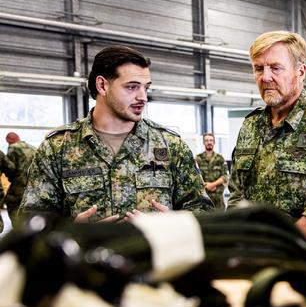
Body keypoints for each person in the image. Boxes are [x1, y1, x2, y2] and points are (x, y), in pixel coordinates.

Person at [20, 46, 212, 221]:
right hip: (85, 258)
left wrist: (175, 224)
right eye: (132, 87)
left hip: (154, 258)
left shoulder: (170, 145)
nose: (143, 97)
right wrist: (72, 231)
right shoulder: (58, 147)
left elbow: (203, 211)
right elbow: (32, 220)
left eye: (146, 88)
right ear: (102, 86)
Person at [228, 31, 306, 241]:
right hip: (256, 251)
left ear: (300, 71)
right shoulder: (251, 125)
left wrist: (283, 245)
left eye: (275, 68)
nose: (265, 77)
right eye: (258, 68)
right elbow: (236, 192)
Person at [2, 132, 37, 224]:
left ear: (9, 140)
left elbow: (11, 168)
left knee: (11, 202)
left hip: (20, 183)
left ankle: (18, 229)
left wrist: (10, 177)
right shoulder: (32, 147)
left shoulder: (13, 147)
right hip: (35, 184)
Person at [195, 132, 228, 209]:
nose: (209, 142)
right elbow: (195, 176)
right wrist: (206, 186)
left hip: (218, 200)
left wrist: (212, 185)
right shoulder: (198, 158)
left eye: (211, 140)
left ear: (214, 142)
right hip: (203, 199)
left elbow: (225, 176)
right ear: (203, 142)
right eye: (206, 140)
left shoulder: (220, 158)